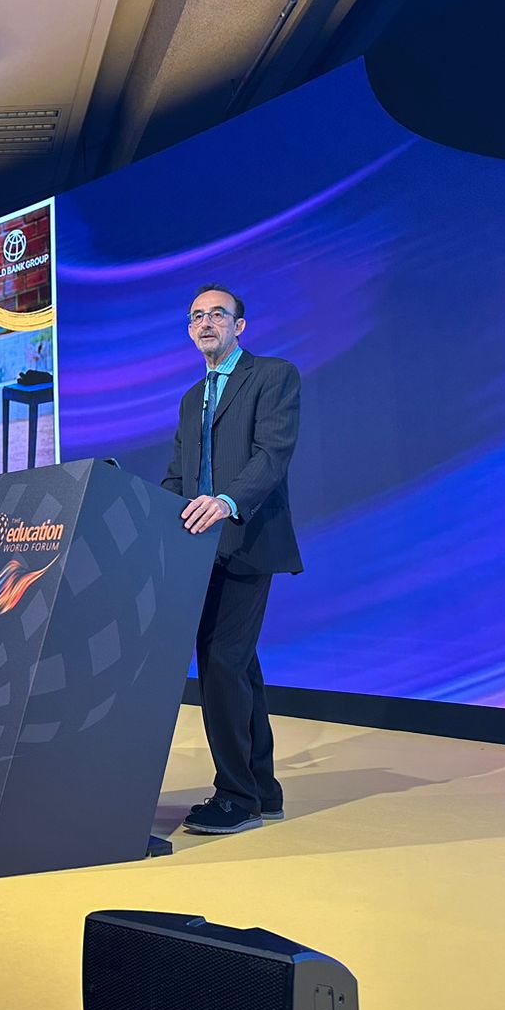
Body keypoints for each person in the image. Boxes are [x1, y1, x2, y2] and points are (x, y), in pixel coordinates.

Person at [161, 284, 302, 836]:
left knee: (222, 663)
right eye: (196, 316)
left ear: (239, 326)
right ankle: (262, 790)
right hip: (199, 549)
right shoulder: (190, 398)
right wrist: (151, 519)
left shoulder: (273, 376)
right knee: (238, 666)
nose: (206, 323)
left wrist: (226, 501)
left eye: (217, 314)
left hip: (246, 540)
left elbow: (272, 455)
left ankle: (236, 798)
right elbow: (179, 474)